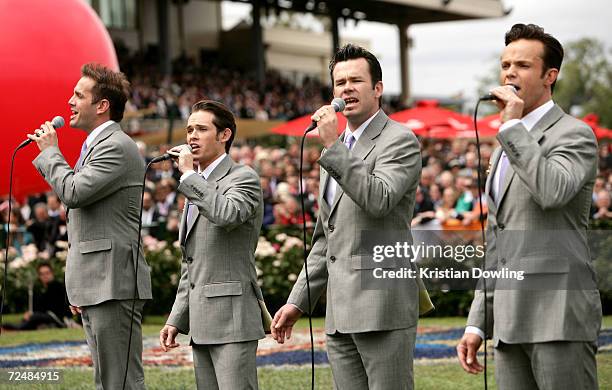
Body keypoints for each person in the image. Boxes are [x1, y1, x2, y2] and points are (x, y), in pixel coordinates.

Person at [456, 24, 601, 390]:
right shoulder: (507, 140)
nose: (509, 73)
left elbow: (553, 191)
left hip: (558, 316)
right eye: (506, 64)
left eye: (522, 64)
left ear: (549, 76)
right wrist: (478, 321)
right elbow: (498, 241)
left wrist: (512, 128)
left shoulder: (574, 133)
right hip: (507, 321)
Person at [271, 44, 424, 389]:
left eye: (356, 80)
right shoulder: (337, 147)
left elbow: (378, 199)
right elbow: (328, 238)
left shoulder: (399, 140)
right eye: (340, 83)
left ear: (378, 89)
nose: (346, 89)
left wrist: (334, 149)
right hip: (339, 313)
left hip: (382, 305)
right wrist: (298, 301)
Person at [29, 63, 152, 389]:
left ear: (102, 106)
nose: (70, 101)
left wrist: (50, 153)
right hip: (99, 280)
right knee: (108, 381)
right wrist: (80, 281)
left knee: (120, 381)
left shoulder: (116, 145)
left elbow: (73, 193)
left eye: (78, 95)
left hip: (113, 281)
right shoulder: (97, 146)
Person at [159, 100, 270, 389]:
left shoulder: (243, 177)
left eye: (201, 129)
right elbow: (193, 264)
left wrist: (189, 176)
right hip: (201, 322)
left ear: (224, 135)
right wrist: (176, 318)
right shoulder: (196, 185)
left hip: (233, 319)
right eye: (189, 130)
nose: (191, 136)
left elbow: (226, 214)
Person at [4, 263, 71, 330]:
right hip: (48, 315)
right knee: (32, 317)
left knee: (35, 317)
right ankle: (19, 326)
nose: (45, 276)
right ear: (39, 276)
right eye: (42, 274)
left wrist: (33, 313)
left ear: (52, 273)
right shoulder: (42, 289)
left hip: (58, 318)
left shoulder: (56, 286)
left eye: (47, 273)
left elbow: (48, 306)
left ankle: (19, 328)